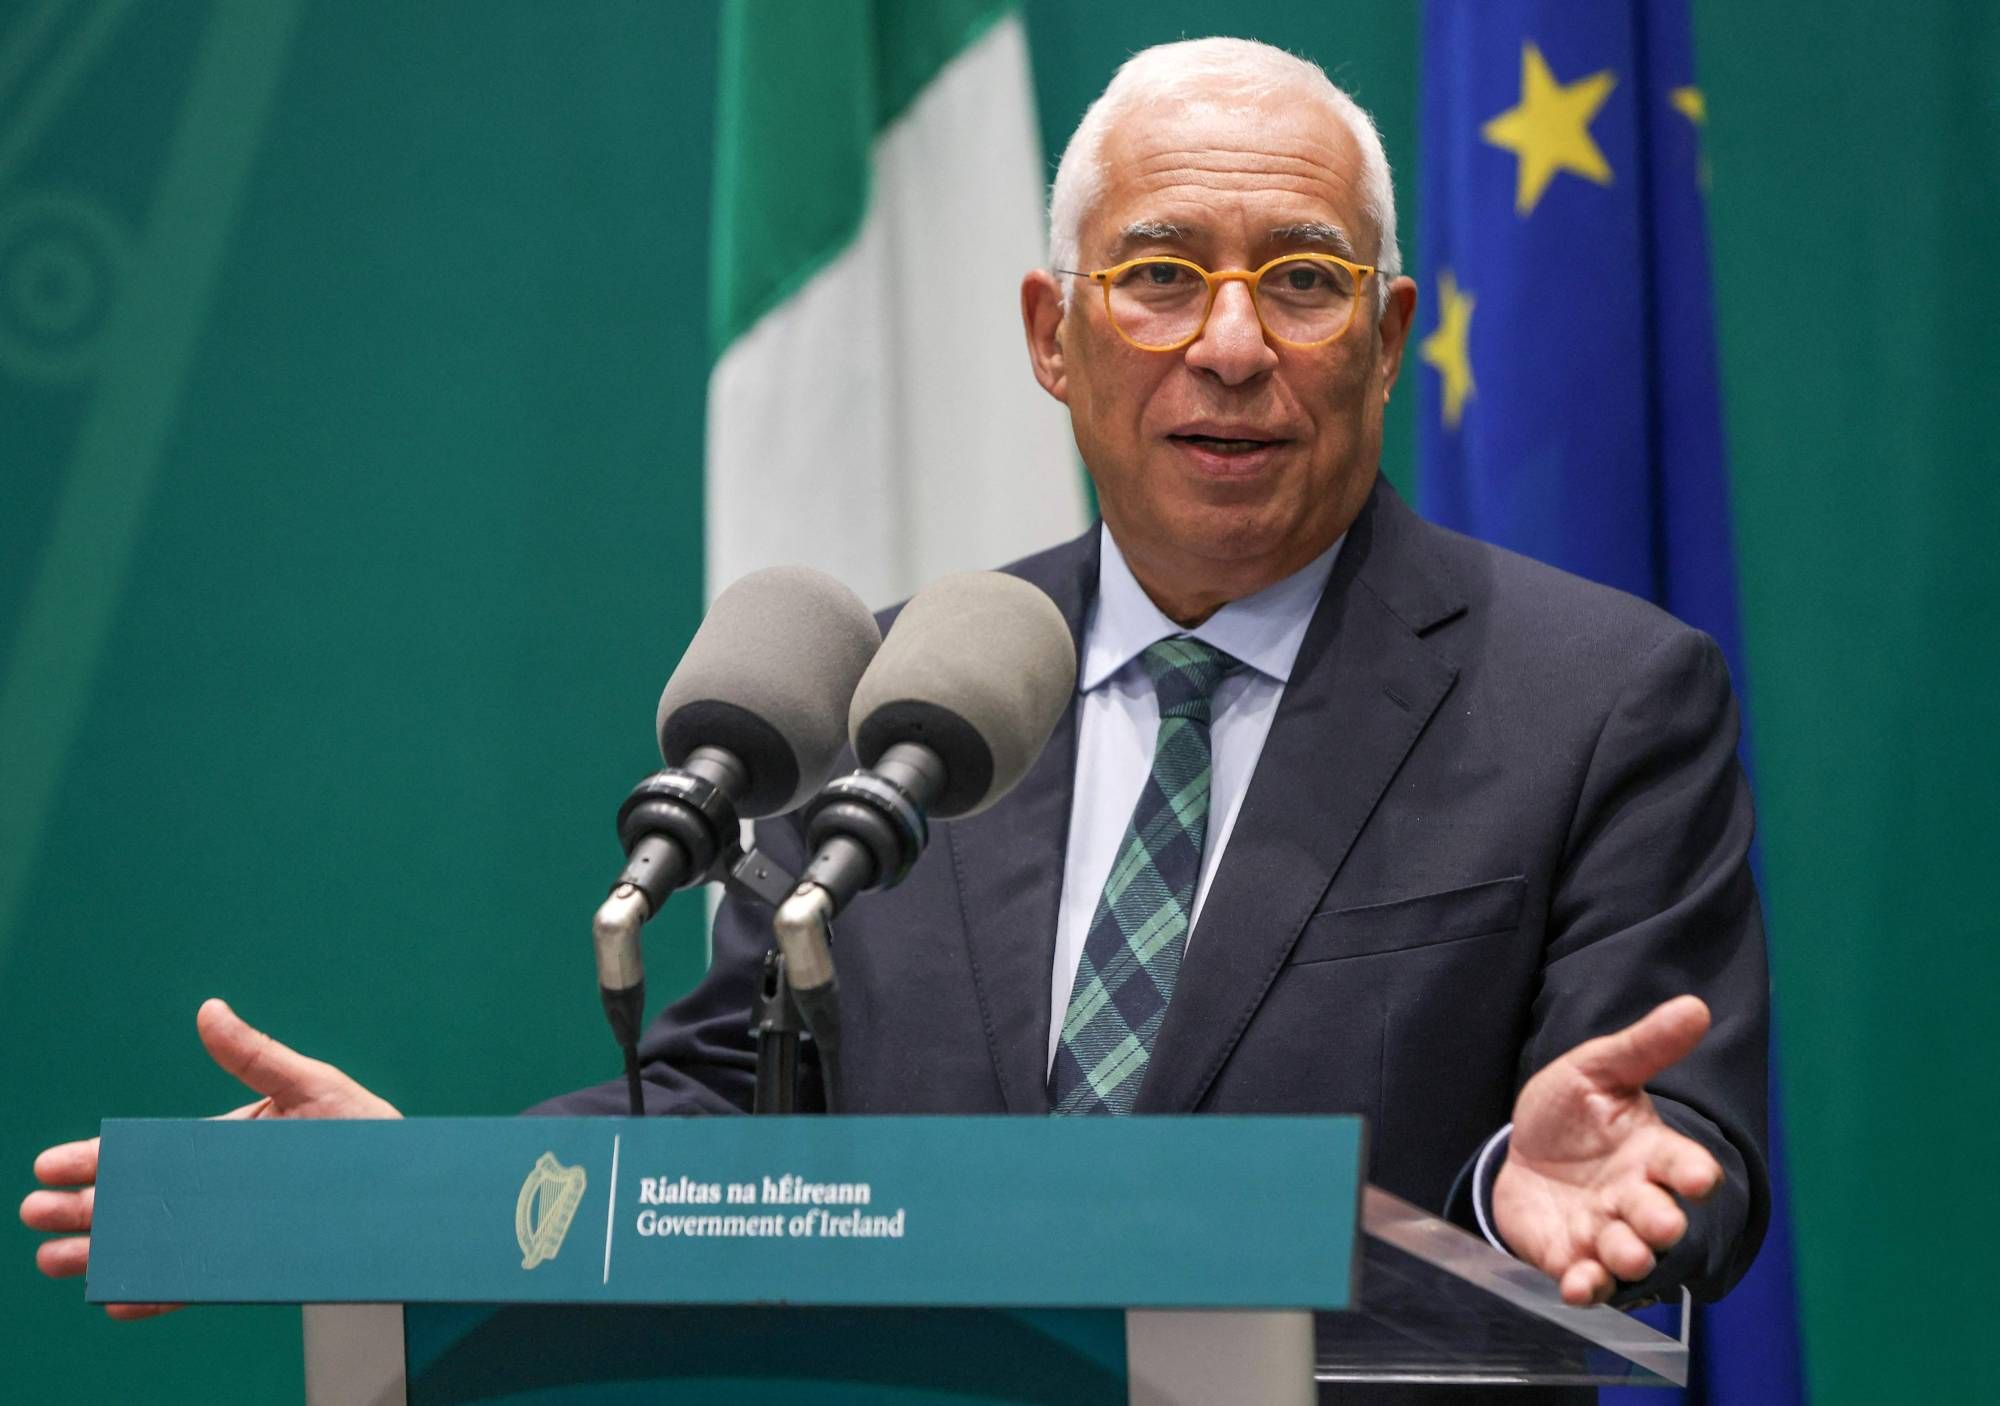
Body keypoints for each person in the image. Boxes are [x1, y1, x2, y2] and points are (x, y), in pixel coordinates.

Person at [23, 36, 1767, 1345]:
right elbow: (730, 1116)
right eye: (1161, 274)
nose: (1232, 343)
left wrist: (1522, 1194)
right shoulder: (893, 694)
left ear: (1385, 340)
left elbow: (1661, 1136)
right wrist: (402, 1193)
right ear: (1052, 334)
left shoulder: (1599, 698)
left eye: (1302, 281)